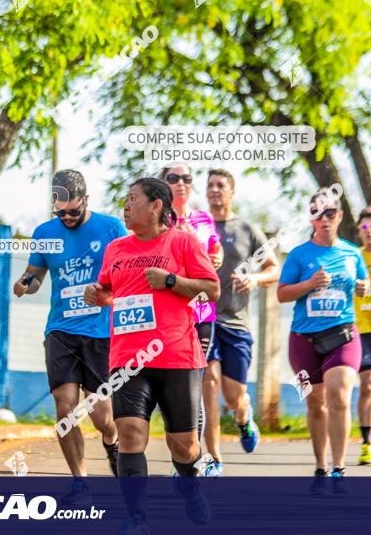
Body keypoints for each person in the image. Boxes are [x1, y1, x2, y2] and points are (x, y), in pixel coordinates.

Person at [85, 177, 220, 533]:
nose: (125, 206)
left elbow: (212, 289)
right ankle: (136, 517)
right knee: (129, 434)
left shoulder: (184, 242)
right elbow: (109, 290)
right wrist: (99, 294)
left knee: (185, 446)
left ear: (157, 205)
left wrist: (172, 281)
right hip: (128, 358)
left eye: (133, 199)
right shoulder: (116, 249)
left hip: (177, 356)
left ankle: (189, 484)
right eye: (125, 199)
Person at [13, 169, 127, 494]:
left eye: (73, 212)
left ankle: (112, 439)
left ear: (86, 201)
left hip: (100, 332)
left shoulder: (111, 228)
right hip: (61, 330)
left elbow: (126, 276)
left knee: (102, 414)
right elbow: (33, 276)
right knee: (65, 407)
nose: (67, 218)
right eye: (60, 212)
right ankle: (79, 480)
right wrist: (24, 284)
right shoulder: (44, 233)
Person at [277, 191, 368, 492]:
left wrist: (362, 288)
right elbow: (281, 294)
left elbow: (363, 286)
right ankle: (320, 466)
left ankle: (339, 469)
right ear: (310, 218)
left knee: (339, 396)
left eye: (329, 213)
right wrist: (309, 284)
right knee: (315, 405)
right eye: (316, 213)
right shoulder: (298, 255)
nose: (323, 219)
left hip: (343, 335)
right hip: (302, 341)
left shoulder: (352, 254)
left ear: (339, 216)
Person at [202, 168, 279, 475]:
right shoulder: (197, 228)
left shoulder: (247, 229)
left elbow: (274, 268)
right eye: (211, 185)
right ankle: (214, 459)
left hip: (236, 323)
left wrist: (256, 279)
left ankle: (244, 419)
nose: (215, 190)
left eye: (221, 185)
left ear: (232, 192)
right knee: (208, 383)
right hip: (204, 320)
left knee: (235, 398)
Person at [160, 164, 224, 454]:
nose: (181, 183)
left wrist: (216, 256)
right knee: (170, 388)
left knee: (193, 382)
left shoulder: (202, 217)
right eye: (173, 179)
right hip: (167, 314)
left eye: (186, 178)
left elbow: (215, 249)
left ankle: (193, 456)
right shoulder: (157, 221)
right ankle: (182, 449)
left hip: (200, 312)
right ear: (162, 185)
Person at [354, 206, 371, 465]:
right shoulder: (351, 257)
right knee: (367, 384)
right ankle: (367, 443)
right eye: (366, 227)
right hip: (360, 330)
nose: (369, 232)